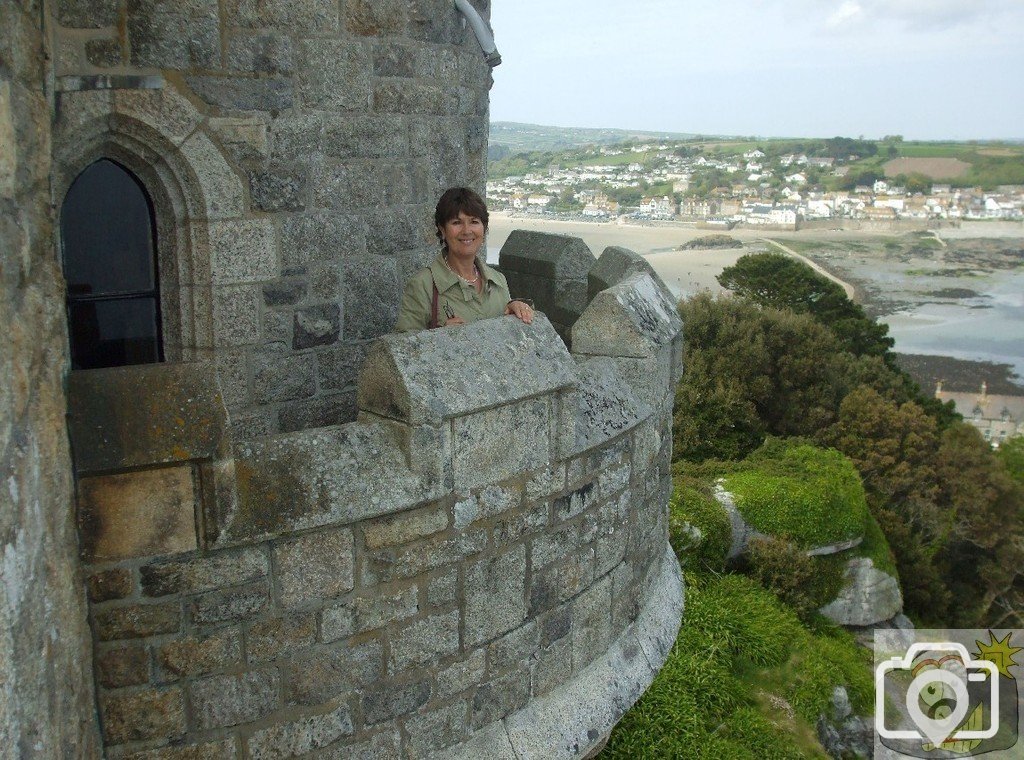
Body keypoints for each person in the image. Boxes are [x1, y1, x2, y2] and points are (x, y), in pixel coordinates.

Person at [394, 187, 534, 332]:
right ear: (442, 230)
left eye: (474, 222)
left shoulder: (498, 281)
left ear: (484, 228)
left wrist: (516, 308)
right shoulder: (423, 285)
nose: (467, 231)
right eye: (456, 222)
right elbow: (403, 346)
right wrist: (439, 338)